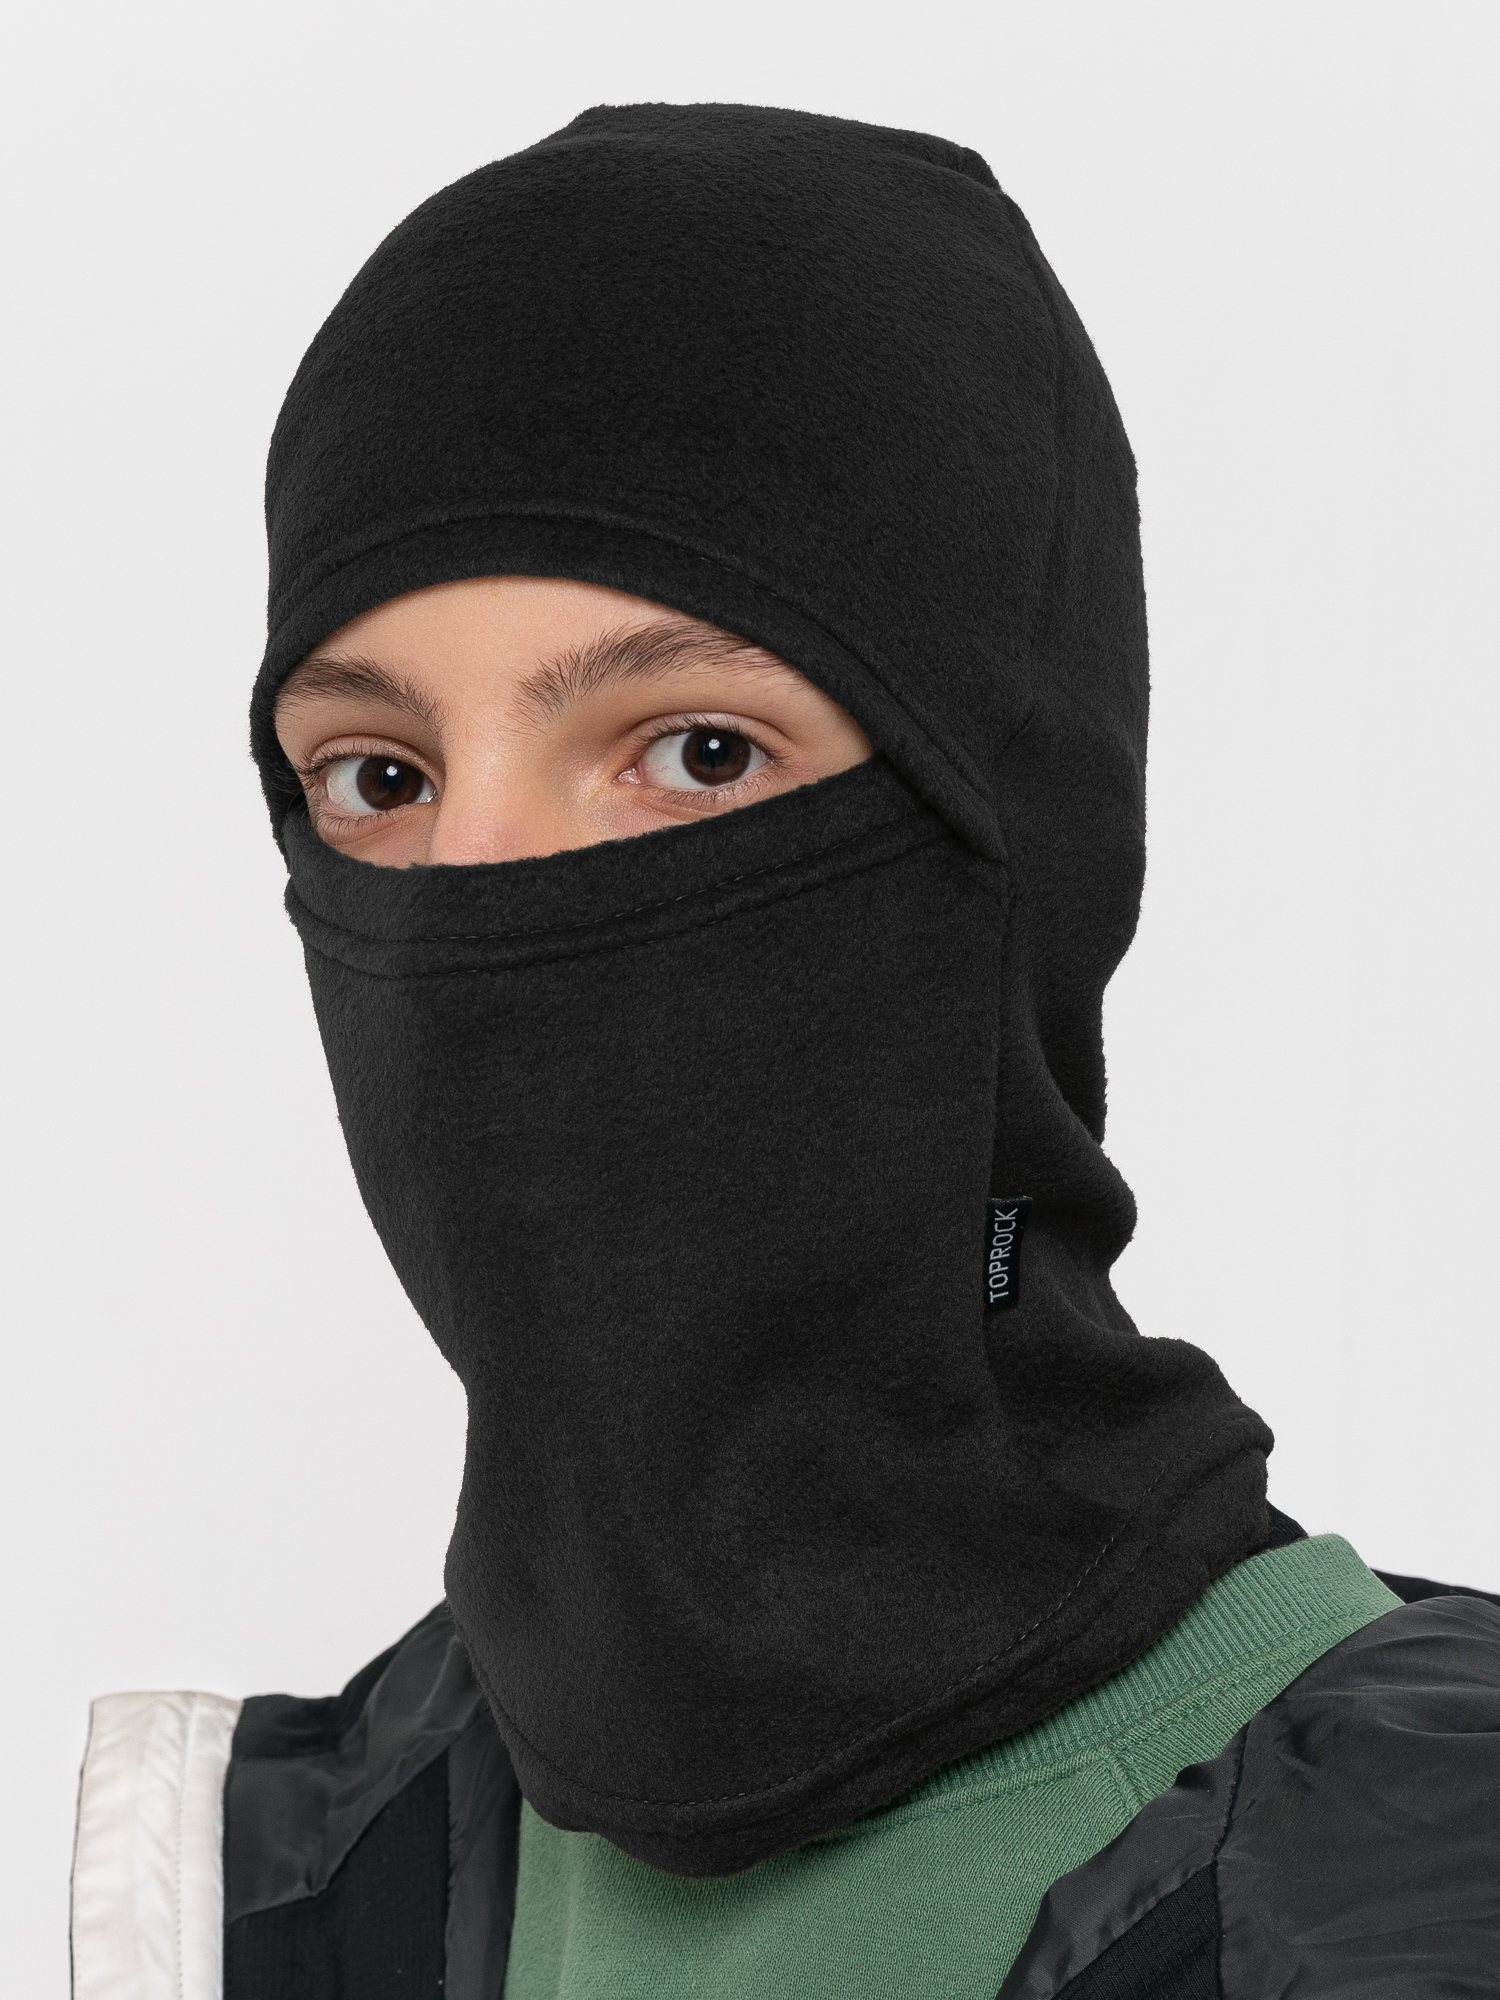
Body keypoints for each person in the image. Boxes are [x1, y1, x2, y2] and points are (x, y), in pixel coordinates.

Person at [69, 103, 1500, 2000]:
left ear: (1021, 849)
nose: (476, 903)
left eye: (696, 752)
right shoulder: (304, 1885)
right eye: (382, 777)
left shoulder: (1410, 1891)